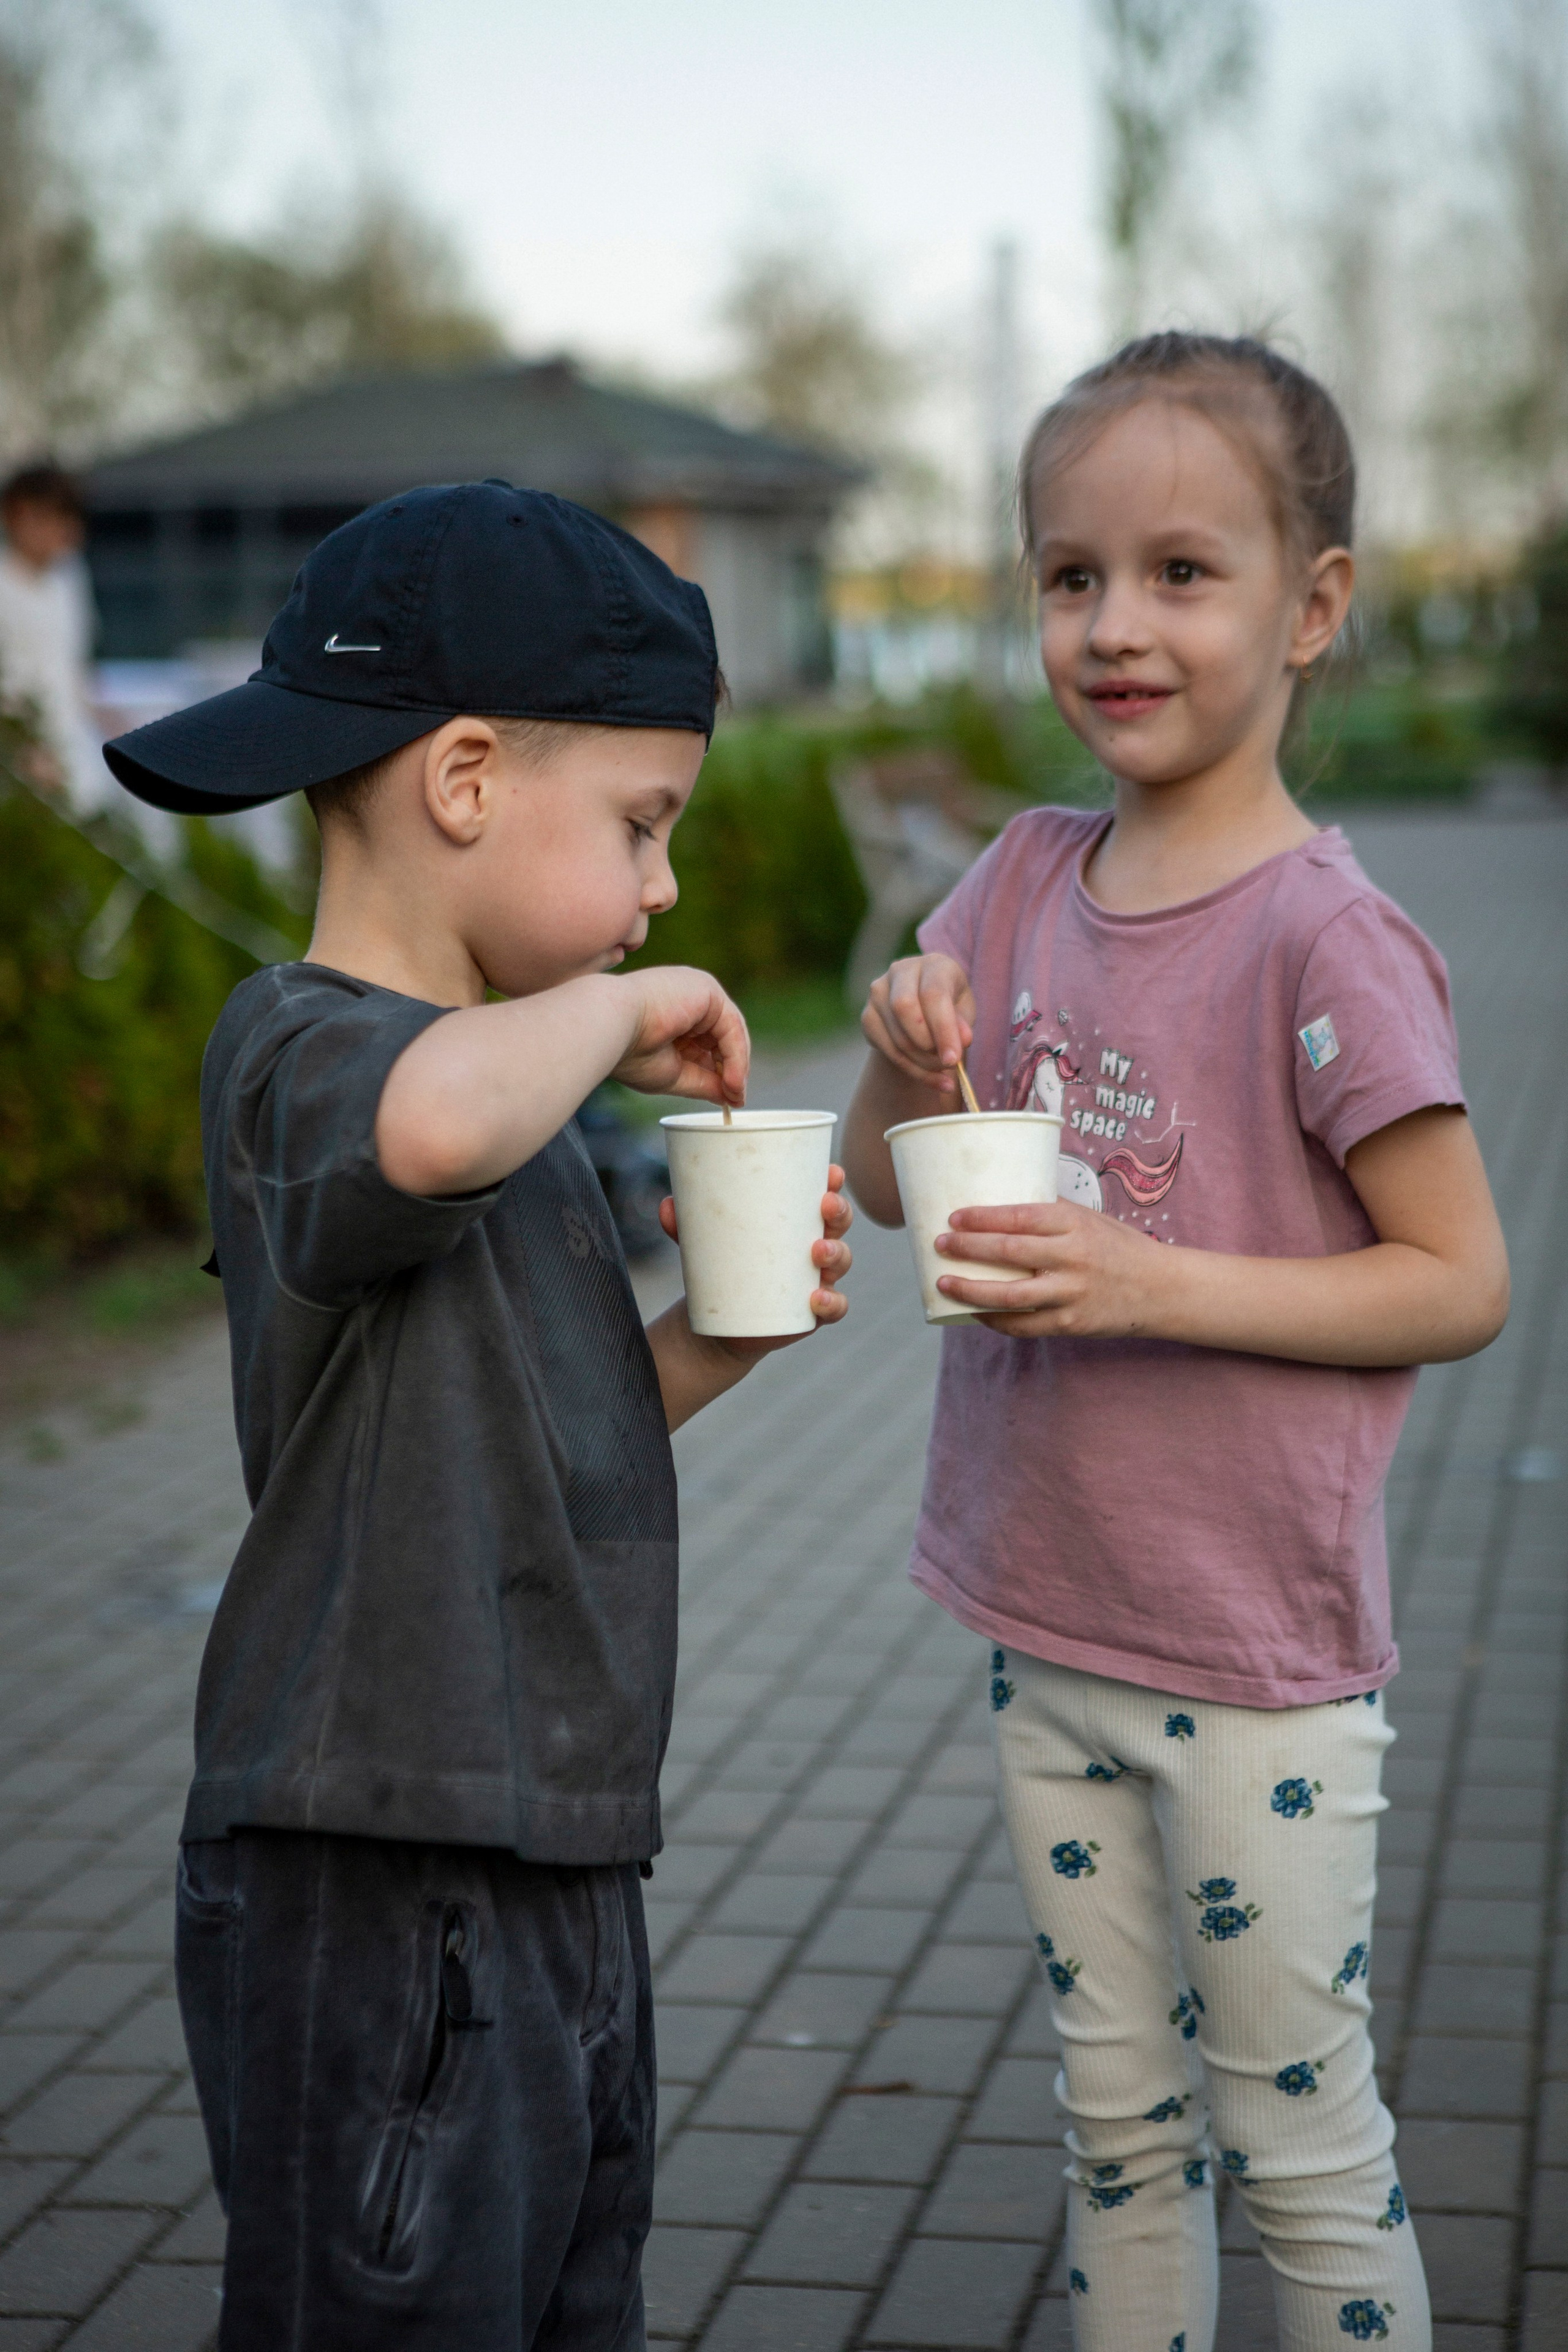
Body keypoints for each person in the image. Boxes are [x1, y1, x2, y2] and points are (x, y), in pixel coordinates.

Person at [102, 481, 854, 2351]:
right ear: (458, 780)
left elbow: (546, 1419)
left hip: (556, 1850)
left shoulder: (513, 1105)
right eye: (639, 825)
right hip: (378, 1862)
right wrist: (629, 1005)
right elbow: (431, 1117)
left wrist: (716, 1336)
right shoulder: (304, 1049)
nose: (660, 887)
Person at [841, 334, 1509, 2352]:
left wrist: (1152, 1281)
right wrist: (892, 1063)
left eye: (1181, 573)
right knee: (1116, 2131)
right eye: (1070, 576)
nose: (1114, 627)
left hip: (1259, 1677)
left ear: (1314, 607)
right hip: (1047, 1624)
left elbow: (1458, 1278)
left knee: (1297, 2149)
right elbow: (892, 1188)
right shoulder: (1022, 881)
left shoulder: (1331, 939)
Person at [0, 461, 108, 812]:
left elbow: (74, 667)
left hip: (73, 755)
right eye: (52, 517)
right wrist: (22, 750)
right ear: (17, 516)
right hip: (19, 767)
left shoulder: (69, 579)